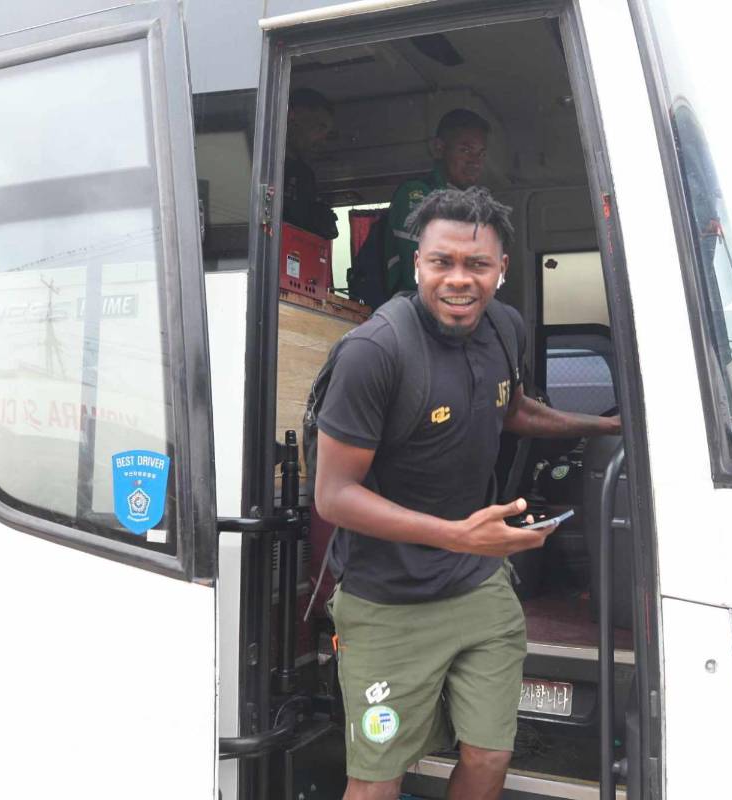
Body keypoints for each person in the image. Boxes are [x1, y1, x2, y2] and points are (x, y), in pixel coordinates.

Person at [315, 187, 620, 800]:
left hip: (479, 587)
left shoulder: (504, 329)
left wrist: (606, 425)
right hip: (388, 602)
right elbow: (334, 495)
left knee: (489, 756)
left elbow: (510, 410)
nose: (459, 280)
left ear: (502, 270)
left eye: (477, 265)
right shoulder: (374, 353)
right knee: (375, 781)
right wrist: (458, 534)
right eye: (442, 263)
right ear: (418, 263)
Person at [384, 108, 490, 297]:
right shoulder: (416, 195)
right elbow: (419, 274)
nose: (475, 162)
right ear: (439, 148)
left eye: (480, 154)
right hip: (413, 313)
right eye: (465, 150)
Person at [283, 87, 338, 239]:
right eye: (320, 127)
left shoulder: (305, 176)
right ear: (291, 115)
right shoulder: (259, 161)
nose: (322, 139)